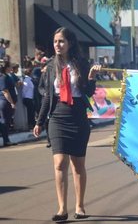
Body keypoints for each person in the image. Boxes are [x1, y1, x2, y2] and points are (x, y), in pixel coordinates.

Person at [33, 27, 101, 221]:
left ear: (70, 43)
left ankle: (80, 206)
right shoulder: (50, 66)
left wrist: (91, 79)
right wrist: (39, 121)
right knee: (59, 162)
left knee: (77, 164)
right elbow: (47, 96)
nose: (57, 45)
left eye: (61, 41)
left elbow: (87, 92)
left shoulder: (80, 64)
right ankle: (62, 208)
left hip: (78, 116)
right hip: (57, 117)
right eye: (55, 41)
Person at [0, 63, 17, 146]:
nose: (11, 67)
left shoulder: (7, 76)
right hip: (4, 102)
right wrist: (11, 102)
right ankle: (6, 140)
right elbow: (5, 91)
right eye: (10, 66)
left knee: (7, 121)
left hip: (6, 102)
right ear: (6, 68)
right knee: (4, 121)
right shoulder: (3, 77)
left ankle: (7, 140)